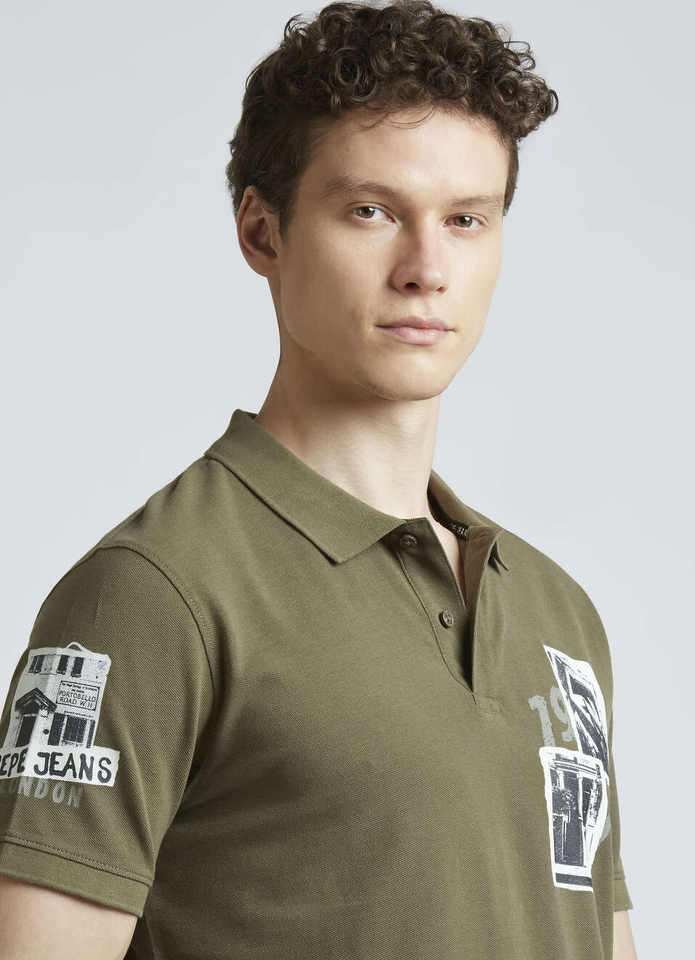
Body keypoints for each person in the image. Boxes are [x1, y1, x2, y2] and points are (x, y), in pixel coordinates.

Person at [0, 2, 638, 958]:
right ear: (263, 233)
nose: (425, 268)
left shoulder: (558, 615)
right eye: (371, 212)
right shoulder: (151, 594)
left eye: (466, 220)